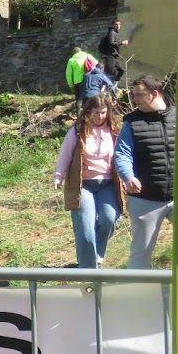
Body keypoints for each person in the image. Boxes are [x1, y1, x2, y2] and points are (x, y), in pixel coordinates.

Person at [53, 93, 125, 268]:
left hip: (107, 183)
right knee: (85, 228)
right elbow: (66, 155)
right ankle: (87, 268)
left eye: (103, 112)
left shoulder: (114, 130)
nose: (99, 117)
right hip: (83, 185)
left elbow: (124, 155)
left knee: (109, 219)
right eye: (95, 112)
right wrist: (59, 176)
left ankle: (97, 254)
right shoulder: (77, 131)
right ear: (87, 112)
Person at [114, 75, 176, 269]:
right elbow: (122, 154)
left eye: (138, 95)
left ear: (154, 94)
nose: (134, 100)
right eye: (132, 95)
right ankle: (137, 294)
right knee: (140, 253)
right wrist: (128, 176)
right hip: (145, 199)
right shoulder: (132, 123)